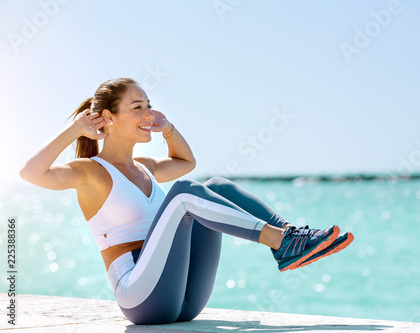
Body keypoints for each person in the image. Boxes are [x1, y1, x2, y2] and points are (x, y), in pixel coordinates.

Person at [19, 78, 354, 325]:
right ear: (107, 117)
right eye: (138, 108)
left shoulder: (144, 168)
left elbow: (185, 162)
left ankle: (289, 236)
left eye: (149, 105)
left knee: (217, 186)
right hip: (139, 296)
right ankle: (279, 241)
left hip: (183, 297)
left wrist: (168, 129)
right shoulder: (89, 172)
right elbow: (30, 172)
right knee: (184, 193)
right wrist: (76, 130)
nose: (148, 113)